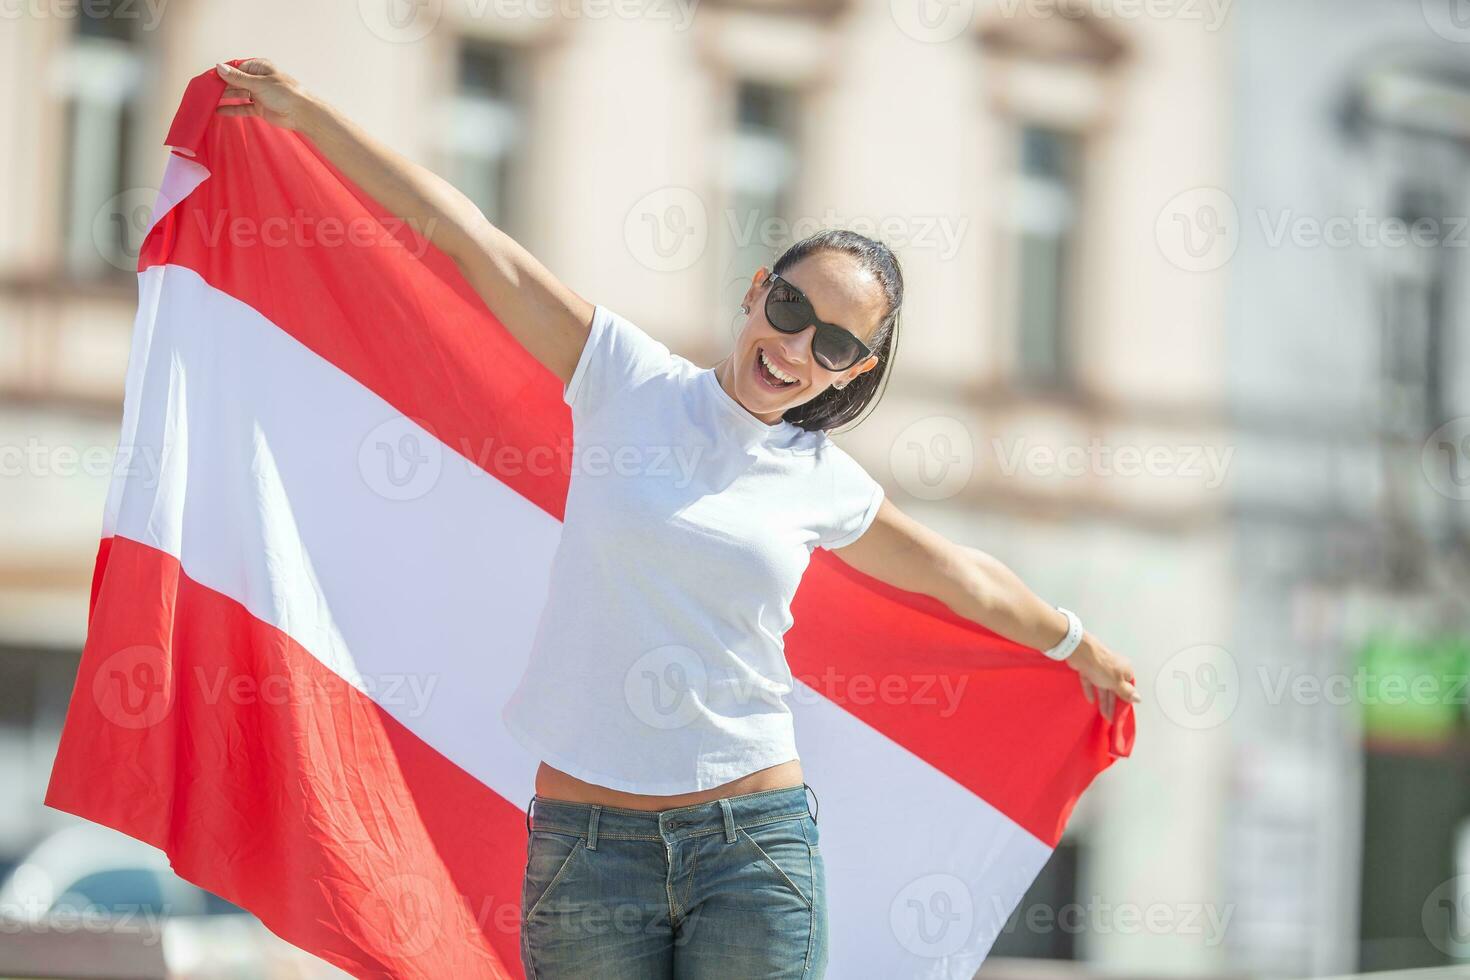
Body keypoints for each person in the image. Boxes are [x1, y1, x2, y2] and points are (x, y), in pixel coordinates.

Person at [213, 58, 1141, 979]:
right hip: (586, 851)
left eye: (833, 342)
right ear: (753, 292)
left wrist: (1076, 646)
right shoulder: (625, 379)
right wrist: (308, 115)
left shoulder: (823, 482)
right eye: (788, 307)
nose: (794, 346)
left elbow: (959, 576)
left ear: (851, 371)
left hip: (753, 848)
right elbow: (471, 238)